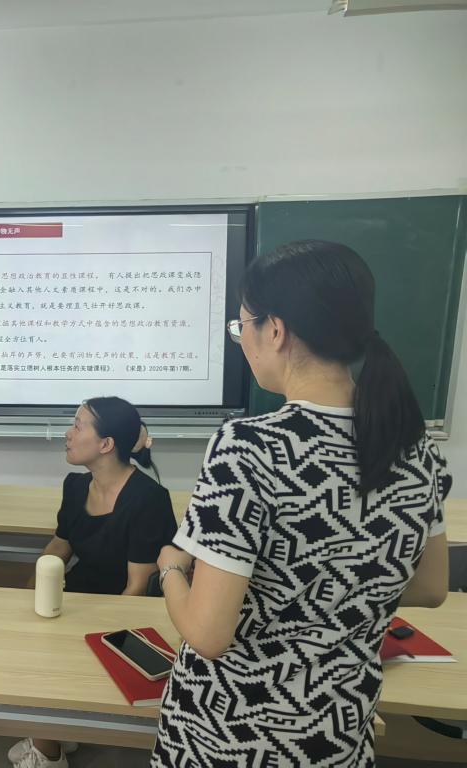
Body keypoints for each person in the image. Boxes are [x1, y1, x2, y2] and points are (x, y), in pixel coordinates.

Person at [153, 240, 451, 767]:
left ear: (275, 330)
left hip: (231, 737)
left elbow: (208, 633)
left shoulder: (249, 447)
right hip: (337, 733)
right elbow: (430, 588)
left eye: (242, 325)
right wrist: (331, 597)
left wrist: (171, 569)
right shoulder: (413, 446)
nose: (242, 340)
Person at [9, 396, 177, 768]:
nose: (68, 434)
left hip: (122, 611)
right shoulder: (75, 486)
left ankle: (48, 750)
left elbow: (136, 588)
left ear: (106, 444)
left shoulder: (148, 499)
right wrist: (32, 590)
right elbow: (60, 545)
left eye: (77, 425)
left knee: (50, 651)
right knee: (27, 637)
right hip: (80, 595)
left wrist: (90, 634)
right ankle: (53, 731)